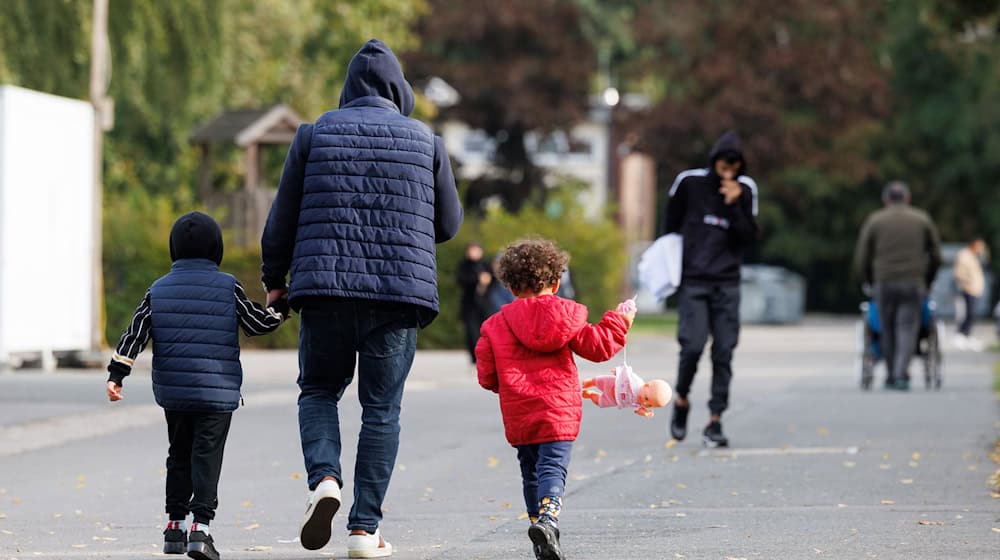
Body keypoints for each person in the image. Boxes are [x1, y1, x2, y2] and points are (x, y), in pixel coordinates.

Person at [260, 39, 462, 557]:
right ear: (400, 90)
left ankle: (324, 480)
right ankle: (364, 531)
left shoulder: (314, 135)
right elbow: (448, 225)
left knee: (319, 391)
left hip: (324, 291)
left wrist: (274, 279)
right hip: (398, 298)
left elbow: (281, 217)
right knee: (382, 411)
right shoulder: (426, 141)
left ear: (348, 88)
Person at [105, 212, 287, 560]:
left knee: (178, 453)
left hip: (174, 392)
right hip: (216, 392)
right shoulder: (227, 285)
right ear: (216, 249)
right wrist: (280, 307)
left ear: (175, 249)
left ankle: (174, 527)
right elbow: (256, 322)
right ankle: (200, 529)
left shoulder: (157, 289)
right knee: (206, 456)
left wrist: (117, 375)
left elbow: (135, 334)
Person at [476, 239, 634, 560]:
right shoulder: (566, 315)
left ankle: (540, 533)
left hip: (519, 411)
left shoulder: (495, 326)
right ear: (557, 281)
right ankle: (548, 521)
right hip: (558, 409)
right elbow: (598, 346)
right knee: (553, 468)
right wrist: (619, 322)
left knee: (530, 471)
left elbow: (487, 376)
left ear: (509, 284)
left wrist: (508, 384)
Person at [662, 131, 759, 448]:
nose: (728, 169)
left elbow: (749, 238)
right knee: (692, 345)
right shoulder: (690, 183)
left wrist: (734, 205)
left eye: (735, 164)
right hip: (694, 280)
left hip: (727, 283)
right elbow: (670, 226)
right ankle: (682, 399)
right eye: (724, 162)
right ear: (714, 159)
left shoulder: (745, 191)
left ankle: (715, 420)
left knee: (724, 351)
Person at [855, 181, 941, 390]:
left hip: (883, 282)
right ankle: (901, 373)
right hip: (913, 282)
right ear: (908, 199)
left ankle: (892, 374)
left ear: (886, 200)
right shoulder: (922, 219)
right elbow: (936, 255)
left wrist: (869, 280)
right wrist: (927, 279)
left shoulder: (875, 220)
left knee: (887, 327)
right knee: (906, 327)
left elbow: (862, 256)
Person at [456, 242, 492, 363]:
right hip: (469, 305)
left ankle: (486, 357)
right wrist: (477, 279)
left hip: (485, 304)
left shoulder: (486, 265)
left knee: (486, 332)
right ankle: (474, 358)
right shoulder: (463, 265)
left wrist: (488, 280)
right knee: (471, 332)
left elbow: (495, 280)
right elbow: (461, 280)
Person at [953, 238, 987, 350]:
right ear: (974, 245)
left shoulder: (973, 256)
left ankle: (966, 335)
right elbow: (959, 273)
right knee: (968, 313)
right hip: (968, 289)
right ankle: (961, 335)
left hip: (975, 290)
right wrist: (968, 282)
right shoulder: (964, 255)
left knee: (972, 314)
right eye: (980, 246)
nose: (981, 249)